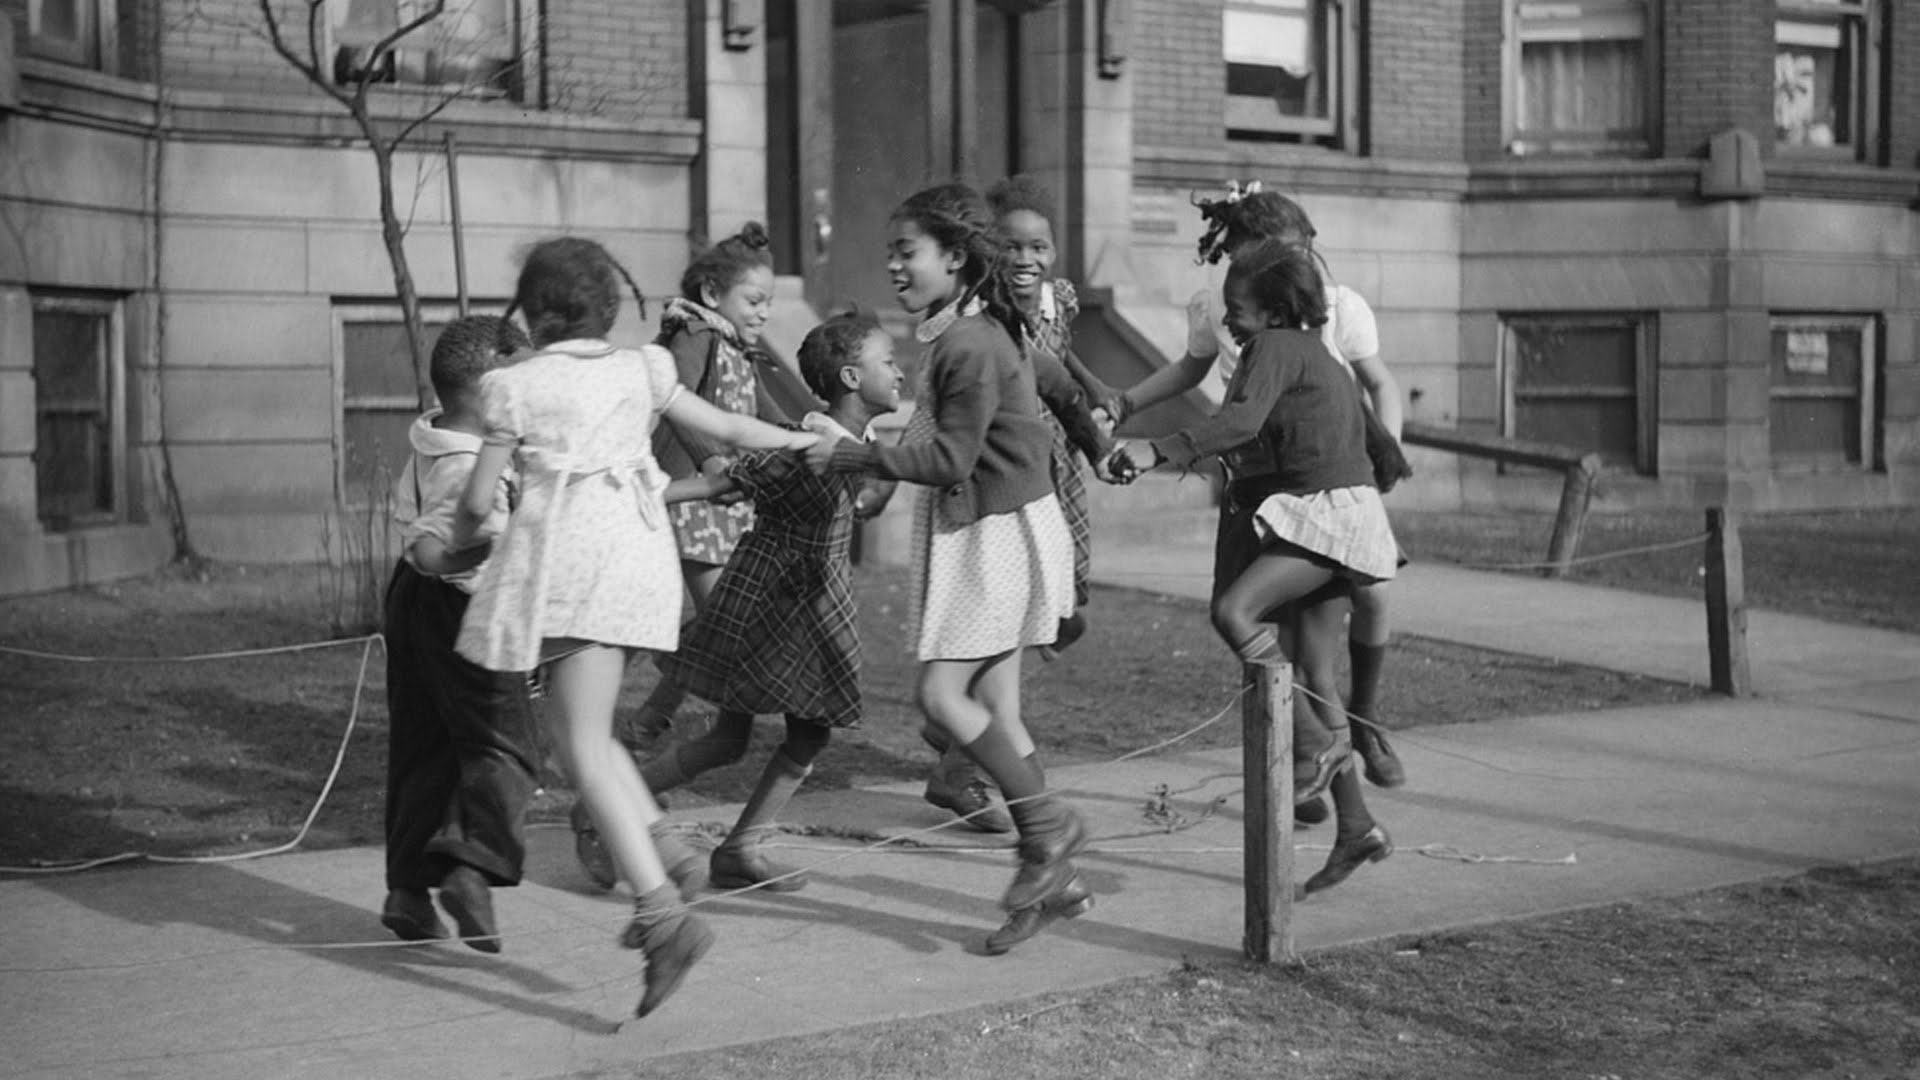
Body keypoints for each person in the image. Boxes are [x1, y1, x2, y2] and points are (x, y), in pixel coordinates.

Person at [448, 237, 817, 1019]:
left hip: (567, 571)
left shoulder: (513, 386)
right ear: (606, 307)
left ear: (535, 310)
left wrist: (455, 542)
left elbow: (479, 503)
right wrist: (803, 439)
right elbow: (726, 427)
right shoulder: (640, 367)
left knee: (577, 747)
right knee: (581, 732)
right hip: (635, 563)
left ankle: (660, 914)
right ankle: (668, 849)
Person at [804, 182, 1095, 952]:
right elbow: (1050, 382)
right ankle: (1052, 880)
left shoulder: (967, 343)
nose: (894, 266)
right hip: (993, 525)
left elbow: (950, 456)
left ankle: (1046, 829)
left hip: (995, 534)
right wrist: (1096, 434)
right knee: (997, 712)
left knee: (941, 697)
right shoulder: (971, 327)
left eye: (908, 253)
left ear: (956, 258)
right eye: (891, 254)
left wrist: (857, 454)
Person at [1108, 238, 1396, 895]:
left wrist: (1157, 452)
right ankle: (1357, 825)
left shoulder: (1272, 349)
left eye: (1236, 309)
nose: (1227, 323)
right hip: (1341, 512)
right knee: (1306, 670)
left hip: (1326, 517)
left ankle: (1320, 746)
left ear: (1272, 309)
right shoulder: (1313, 353)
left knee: (1233, 612)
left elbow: (1238, 423)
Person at [623, 311, 904, 894]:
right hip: (773, 604)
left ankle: (737, 846)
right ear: (852, 378)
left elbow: (867, 494)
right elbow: (732, 480)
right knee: (755, 737)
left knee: (778, 736)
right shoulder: (811, 444)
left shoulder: (856, 443)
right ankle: (612, 809)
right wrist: (648, 498)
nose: (901, 373)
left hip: (809, 600)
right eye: (889, 362)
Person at [570, 222, 792, 888]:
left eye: (768, 302)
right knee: (720, 632)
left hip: (712, 508)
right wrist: (717, 461)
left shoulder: (730, 341)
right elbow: (679, 409)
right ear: (711, 292)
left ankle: (647, 729)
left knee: (705, 633)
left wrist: (807, 436)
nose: (763, 312)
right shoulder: (692, 337)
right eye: (754, 300)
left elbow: (767, 406)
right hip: (692, 505)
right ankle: (637, 749)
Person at [912, 174, 1118, 836]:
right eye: (1012, 246)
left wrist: (1094, 430)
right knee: (998, 684)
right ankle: (1039, 837)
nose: (1026, 259)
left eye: (907, 251)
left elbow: (1055, 374)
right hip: (1007, 496)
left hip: (1005, 502)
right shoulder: (975, 323)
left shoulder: (989, 327)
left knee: (957, 686)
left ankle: (1025, 814)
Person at [379, 315, 540, 953]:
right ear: (493, 388)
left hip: (412, 605)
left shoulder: (434, 435)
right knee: (509, 746)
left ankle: (408, 892)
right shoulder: (469, 467)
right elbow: (450, 546)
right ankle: (472, 866)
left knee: (426, 750)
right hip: (466, 603)